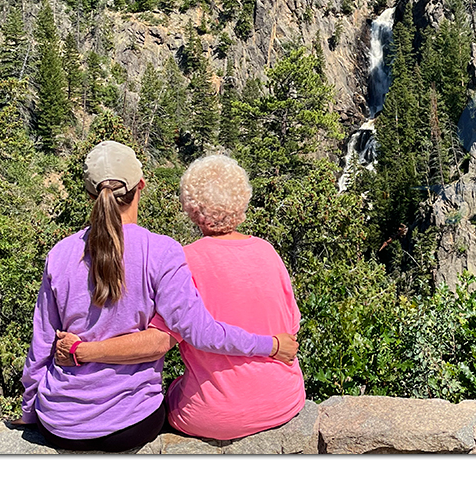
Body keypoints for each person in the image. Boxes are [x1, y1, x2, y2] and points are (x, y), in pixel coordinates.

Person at [18, 141, 297, 452]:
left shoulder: (59, 254)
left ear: (89, 194)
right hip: (132, 424)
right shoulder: (164, 251)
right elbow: (194, 332)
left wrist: (31, 412)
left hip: (59, 424)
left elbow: (41, 345)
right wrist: (270, 345)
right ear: (142, 185)